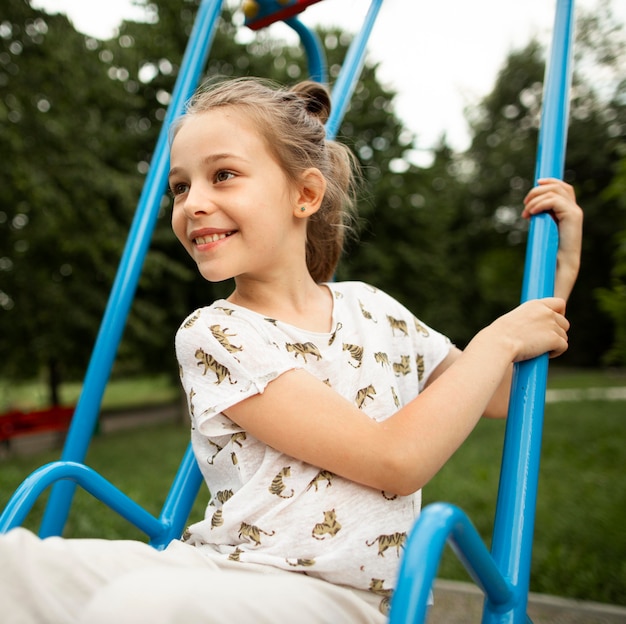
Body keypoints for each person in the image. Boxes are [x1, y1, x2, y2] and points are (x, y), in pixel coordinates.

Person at [0, 77, 583, 624]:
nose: (192, 202)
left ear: (304, 194)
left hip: (342, 598)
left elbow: (501, 394)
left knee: (146, 604)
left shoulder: (375, 309)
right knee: (14, 566)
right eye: (180, 186)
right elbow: (395, 457)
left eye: (222, 175)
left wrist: (555, 280)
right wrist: (498, 337)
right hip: (228, 570)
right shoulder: (214, 332)